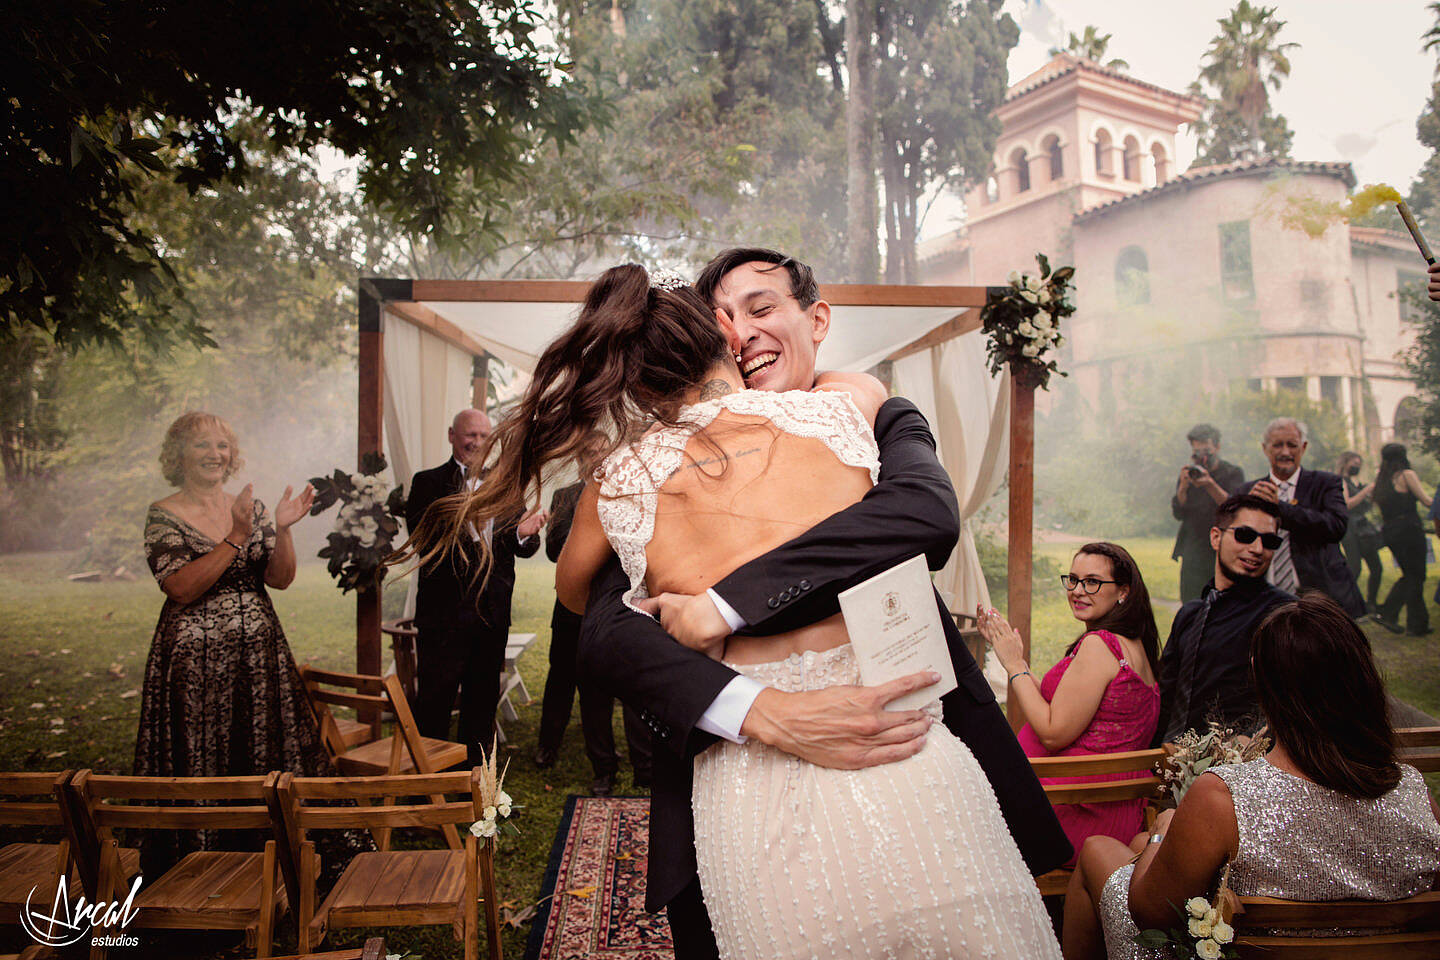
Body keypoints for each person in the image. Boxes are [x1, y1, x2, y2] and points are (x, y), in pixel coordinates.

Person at [452, 263, 1062, 959]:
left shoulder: (620, 480)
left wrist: (700, 588)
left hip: (751, 784)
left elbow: (574, 591)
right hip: (902, 742)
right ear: (720, 332)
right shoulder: (848, 410)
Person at [1062, 593, 1440, 960]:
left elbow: (1151, 913)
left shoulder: (1225, 794)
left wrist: (1162, 830)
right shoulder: (1412, 790)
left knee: (1099, 848)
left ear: (1263, 682)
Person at [135, 413, 327, 866]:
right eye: (202, 445)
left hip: (257, 661)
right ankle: (202, 863)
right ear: (179, 454)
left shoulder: (251, 507)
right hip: (194, 665)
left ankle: (269, 858)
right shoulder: (163, 514)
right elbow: (180, 588)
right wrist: (236, 536)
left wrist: (281, 529)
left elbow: (278, 579)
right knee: (203, 755)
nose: (214, 455)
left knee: (259, 755)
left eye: (221, 446)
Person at [977, 542, 1160, 865]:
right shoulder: (1132, 645)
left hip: (1075, 814)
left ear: (1124, 592)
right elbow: (1064, 706)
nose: (1078, 590)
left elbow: (1052, 732)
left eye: (1092, 582)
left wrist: (1014, 665)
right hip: (1106, 808)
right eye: (1072, 580)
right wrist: (1016, 660)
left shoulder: (1099, 645)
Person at [404, 409, 544, 764]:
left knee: (482, 706)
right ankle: (426, 788)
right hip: (442, 618)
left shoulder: (507, 483)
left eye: (484, 437)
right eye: (470, 435)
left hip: (491, 616)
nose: (477, 443)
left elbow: (519, 545)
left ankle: (475, 787)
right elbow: (423, 540)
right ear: (452, 435)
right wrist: (471, 520)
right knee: (433, 703)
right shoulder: (427, 483)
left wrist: (523, 533)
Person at [532, 477, 652, 795]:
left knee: (636, 689)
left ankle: (645, 768)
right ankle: (603, 769)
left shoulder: (634, 493)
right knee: (591, 692)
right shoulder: (568, 497)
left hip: (631, 602)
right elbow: (557, 549)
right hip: (583, 607)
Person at [1154, 493, 1292, 744]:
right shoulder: (1191, 613)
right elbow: (1164, 694)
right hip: (1167, 760)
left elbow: (1295, 704)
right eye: (1245, 536)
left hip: (1237, 764)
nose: (1257, 549)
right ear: (1216, 537)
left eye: (1270, 541)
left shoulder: (1282, 615)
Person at [1239, 417, 1364, 617]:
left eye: (1292, 445)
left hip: (1321, 598)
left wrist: (1281, 508)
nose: (1285, 452)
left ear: (1303, 447)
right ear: (1264, 448)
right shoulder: (1248, 491)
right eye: (1277, 445)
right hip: (1265, 601)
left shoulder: (1326, 484)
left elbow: (1336, 527)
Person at [1171, 424, 1244, 602]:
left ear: (1217, 447)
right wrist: (1183, 487)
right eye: (1197, 452)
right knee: (1191, 602)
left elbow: (1235, 508)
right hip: (1192, 550)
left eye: (1206, 451)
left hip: (1222, 550)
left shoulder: (1232, 473)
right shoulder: (1190, 474)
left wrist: (1209, 484)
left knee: (1223, 603)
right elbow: (1179, 513)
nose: (1202, 457)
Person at [1372, 442, 1434, 636]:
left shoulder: (1382, 480)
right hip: (1409, 530)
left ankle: (1416, 623)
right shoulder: (1407, 475)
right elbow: (1427, 501)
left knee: (1410, 575)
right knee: (1416, 575)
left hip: (1391, 532)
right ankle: (1393, 614)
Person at [1336, 450, 1384, 615]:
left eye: (1359, 464)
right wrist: (1366, 490)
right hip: (1350, 530)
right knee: (1354, 568)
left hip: (1364, 529)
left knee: (1376, 567)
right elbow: (1347, 504)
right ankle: (1344, 605)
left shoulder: (1357, 483)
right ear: (1345, 463)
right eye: (1354, 464)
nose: (1357, 467)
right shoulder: (1341, 482)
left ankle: (1371, 603)